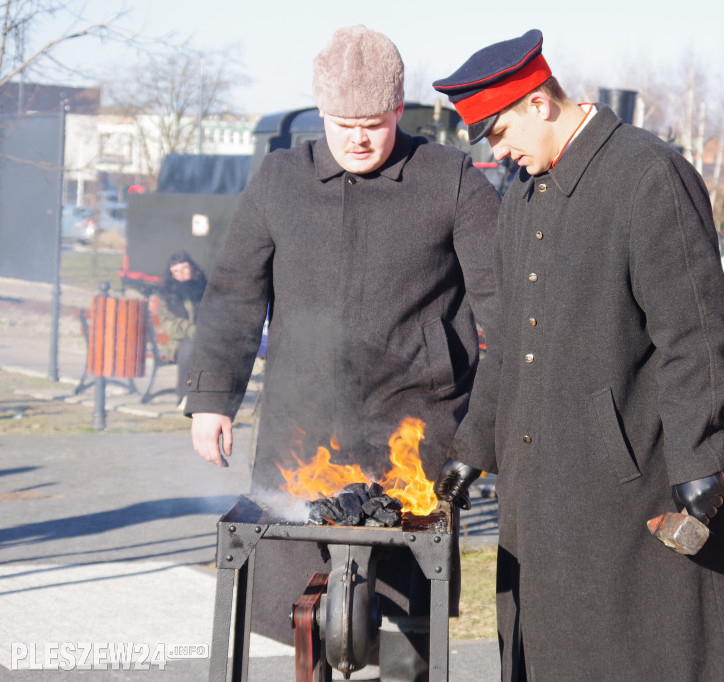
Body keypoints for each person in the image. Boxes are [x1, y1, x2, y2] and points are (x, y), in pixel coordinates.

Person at [186, 25, 499, 680]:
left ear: (399, 108)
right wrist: (212, 400)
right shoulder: (280, 180)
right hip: (304, 427)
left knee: (410, 632)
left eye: (375, 123)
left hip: (418, 429)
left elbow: (502, 302)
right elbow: (235, 294)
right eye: (343, 123)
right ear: (320, 111)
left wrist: (500, 421)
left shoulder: (452, 180)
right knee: (309, 619)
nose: (359, 137)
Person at [432, 30, 724, 681]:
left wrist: (700, 459)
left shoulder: (648, 174)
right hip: (535, 490)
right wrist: (473, 448)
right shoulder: (521, 197)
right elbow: (510, 344)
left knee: (632, 657)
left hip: (627, 489)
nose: (500, 152)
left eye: (500, 132)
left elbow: (695, 332)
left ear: (540, 103)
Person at [154, 250, 206, 406]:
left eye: (184, 269)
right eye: (175, 271)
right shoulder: (166, 294)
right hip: (177, 343)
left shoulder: (204, 287)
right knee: (189, 347)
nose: (180, 274)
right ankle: (185, 394)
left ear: (192, 267)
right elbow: (169, 324)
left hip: (206, 338)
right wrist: (193, 331)